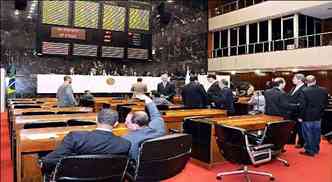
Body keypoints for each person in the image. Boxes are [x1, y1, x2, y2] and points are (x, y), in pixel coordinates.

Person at [41, 109, 131, 173]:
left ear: (96, 120)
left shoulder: (75, 137)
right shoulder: (125, 144)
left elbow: (49, 161)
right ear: (116, 124)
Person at [124, 94, 166, 161]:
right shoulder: (159, 127)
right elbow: (156, 114)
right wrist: (148, 100)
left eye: (127, 123)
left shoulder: (127, 140)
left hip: (141, 168)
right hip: (161, 162)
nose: (125, 124)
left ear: (135, 126)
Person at [300, 75, 328, 157]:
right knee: (316, 133)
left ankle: (309, 151)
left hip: (307, 117)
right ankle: (316, 149)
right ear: (315, 81)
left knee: (308, 134)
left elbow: (302, 106)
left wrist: (300, 116)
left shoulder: (304, 91)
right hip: (318, 116)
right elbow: (325, 103)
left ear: (306, 82)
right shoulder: (323, 90)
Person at [288, 74, 306, 148]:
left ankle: (301, 143)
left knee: (300, 128)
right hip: (292, 111)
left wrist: (301, 115)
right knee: (292, 127)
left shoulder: (304, 88)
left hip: (299, 112)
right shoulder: (293, 88)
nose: (292, 80)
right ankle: (291, 140)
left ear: (299, 80)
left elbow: (303, 103)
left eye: (294, 78)